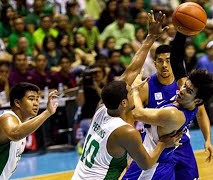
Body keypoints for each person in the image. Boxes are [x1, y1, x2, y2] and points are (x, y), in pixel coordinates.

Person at [73, 10, 182, 180]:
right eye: (131, 91)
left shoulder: (102, 108)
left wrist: (150, 37)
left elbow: (131, 70)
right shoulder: (126, 131)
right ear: (124, 102)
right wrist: (162, 144)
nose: (134, 89)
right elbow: (146, 163)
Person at [123, 32, 213, 179]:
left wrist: (134, 88)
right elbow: (178, 60)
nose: (182, 89)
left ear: (198, 101)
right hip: (160, 151)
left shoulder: (173, 114)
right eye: (185, 86)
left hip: (157, 157)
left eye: (188, 90)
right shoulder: (191, 100)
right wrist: (182, 31)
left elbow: (136, 113)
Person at [0, 82, 58, 179]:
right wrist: (47, 112)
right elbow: (15, 134)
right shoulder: (7, 118)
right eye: (31, 99)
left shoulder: (21, 124)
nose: (36, 103)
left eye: (37, 99)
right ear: (17, 102)